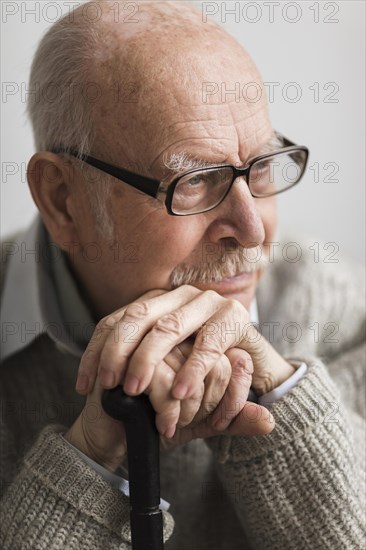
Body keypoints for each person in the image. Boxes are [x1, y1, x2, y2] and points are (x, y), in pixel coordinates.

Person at [0, 1, 365, 549]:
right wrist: (91, 459)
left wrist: (281, 396)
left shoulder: (342, 312)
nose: (251, 228)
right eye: (194, 181)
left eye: (261, 166)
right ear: (63, 200)